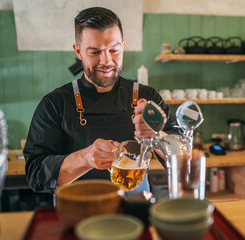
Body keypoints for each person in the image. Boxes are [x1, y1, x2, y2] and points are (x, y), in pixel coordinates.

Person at [23, 7, 181, 194]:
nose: (106, 61)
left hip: (135, 214)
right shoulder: (55, 103)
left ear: (123, 46)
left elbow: (183, 157)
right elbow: (36, 174)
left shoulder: (147, 97)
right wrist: (85, 158)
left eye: (114, 50)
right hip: (78, 216)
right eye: (94, 52)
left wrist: (157, 136)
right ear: (78, 51)